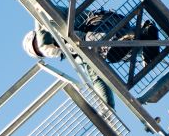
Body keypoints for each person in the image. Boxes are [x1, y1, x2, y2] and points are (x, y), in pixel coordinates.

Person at [22, 6, 161, 107]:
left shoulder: (55, 21)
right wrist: (108, 109)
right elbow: (96, 78)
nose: (44, 49)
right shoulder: (75, 56)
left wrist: (44, 39)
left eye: (38, 44)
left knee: (83, 43)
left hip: (102, 22)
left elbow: (41, 9)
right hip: (118, 35)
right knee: (110, 56)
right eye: (41, 52)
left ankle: (124, 41)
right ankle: (145, 34)